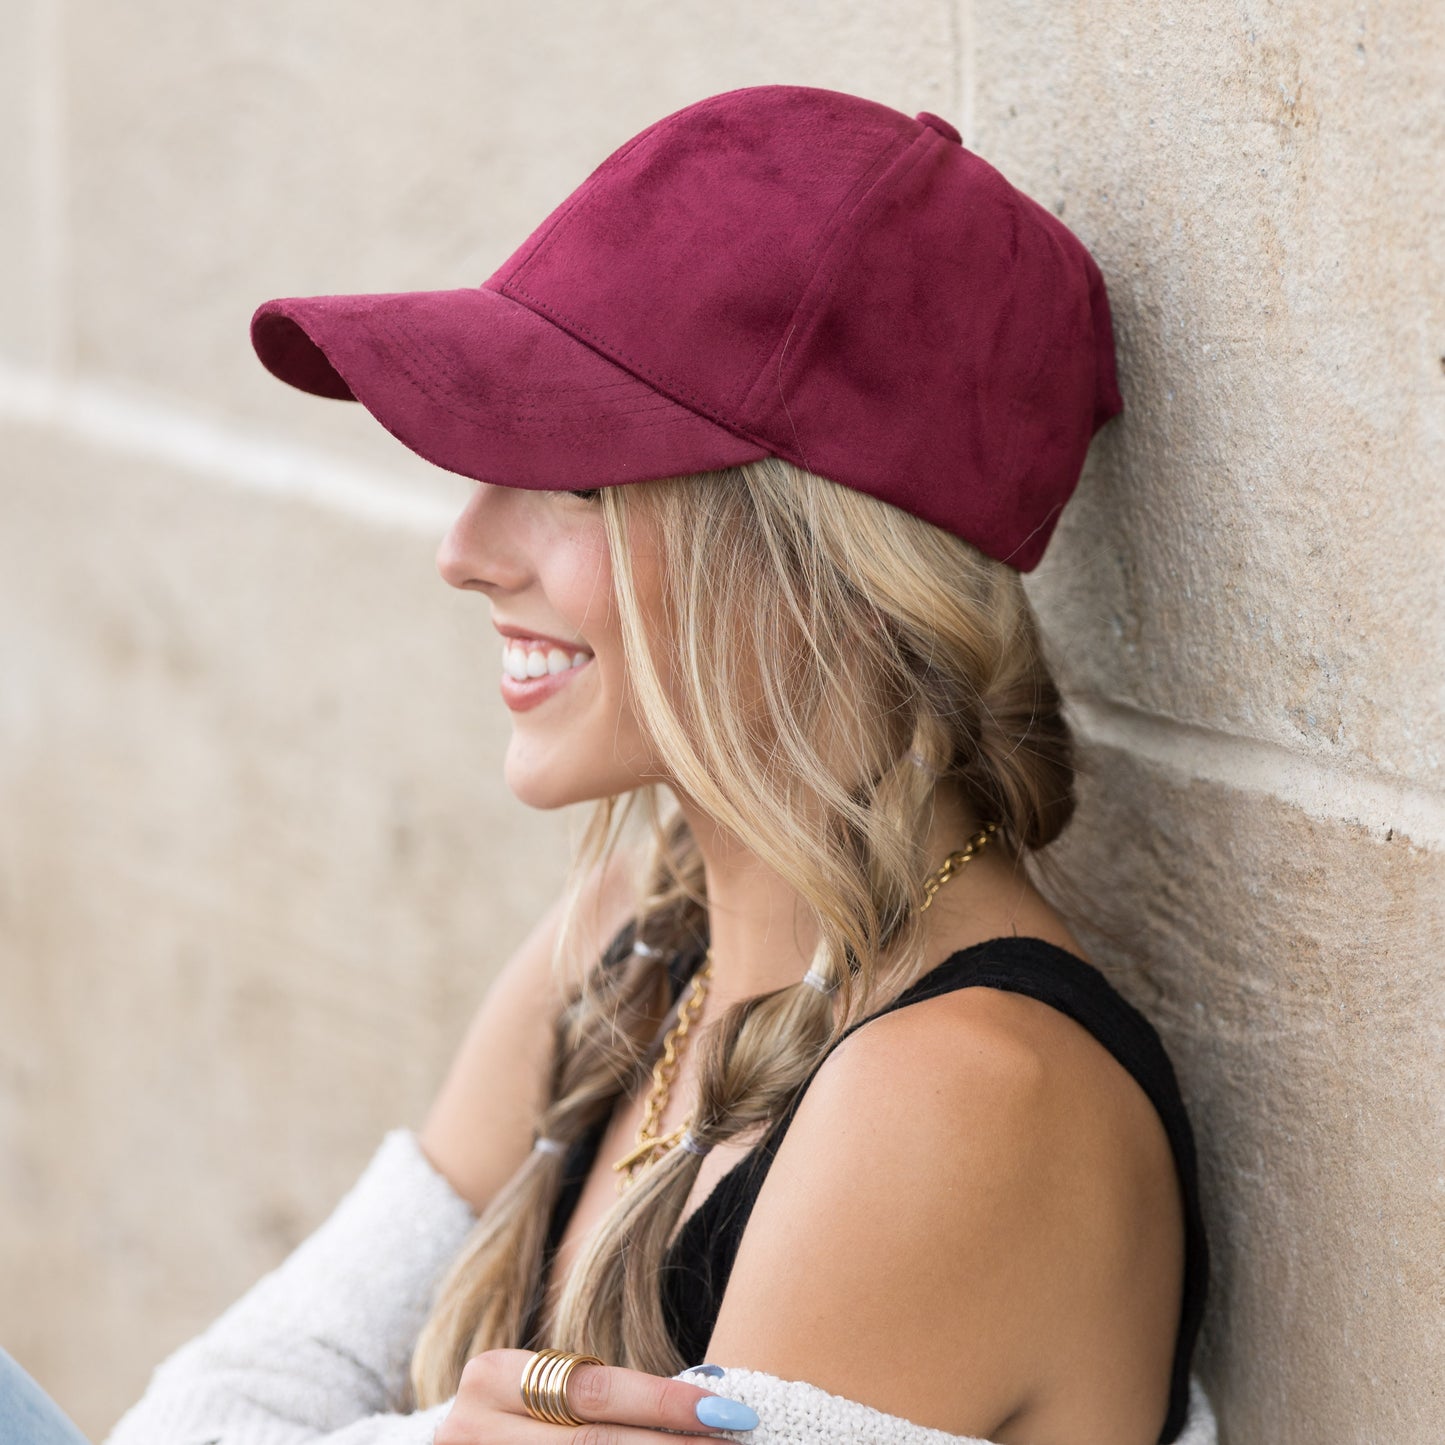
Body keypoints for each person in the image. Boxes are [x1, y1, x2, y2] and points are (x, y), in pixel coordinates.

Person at [99, 86, 1214, 1445]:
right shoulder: (641, 929)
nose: (463, 547)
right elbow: (208, 1406)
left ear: (819, 557)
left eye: (572, 479)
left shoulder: (965, 1095)